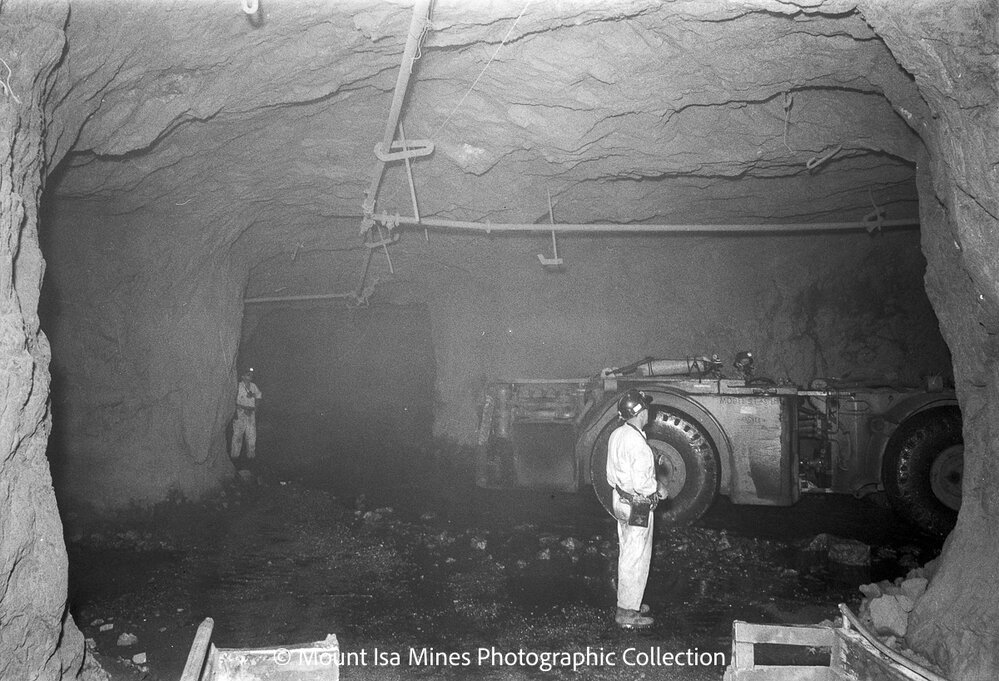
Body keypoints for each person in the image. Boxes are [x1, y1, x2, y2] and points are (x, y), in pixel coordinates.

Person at [606, 388, 667, 629]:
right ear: (640, 411)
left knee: (628, 552)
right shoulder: (638, 445)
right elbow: (644, 485)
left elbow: (610, 475)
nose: (648, 410)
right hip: (637, 505)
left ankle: (631, 601)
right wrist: (659, 489)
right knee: (636, 556)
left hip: (620, 499)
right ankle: (627, 613)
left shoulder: (617, 434)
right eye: (646, 406)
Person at [231, 367, 262, 462]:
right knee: (238, 435)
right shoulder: (237, 386)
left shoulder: (253, 386)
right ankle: (235, 457)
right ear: (242, 376)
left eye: (252, 375)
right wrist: (235, 412)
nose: (251, 376)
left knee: (251, 435)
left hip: (251, 414)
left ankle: (251, 457)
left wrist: (255, 409)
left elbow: (259, 396)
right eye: (248, 374)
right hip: (240, 412)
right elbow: (232, 399)